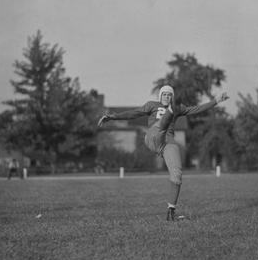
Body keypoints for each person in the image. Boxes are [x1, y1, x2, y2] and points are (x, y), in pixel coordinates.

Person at [97, 85, 229, 221]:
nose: (167, 97)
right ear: (160, 96)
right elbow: (134, 113)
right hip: (153, 136)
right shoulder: (152, 105)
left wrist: (216, 101)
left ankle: (171, 212)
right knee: (161, 125)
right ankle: (169, 112)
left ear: (172, 97)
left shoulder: (180, 109)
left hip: (167, 143)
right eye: (164, 94)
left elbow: (197, 109)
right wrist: (112, 117)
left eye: (169, 95)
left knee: (177, 174)